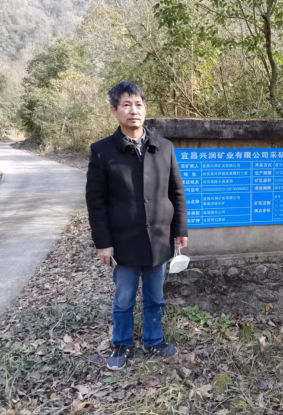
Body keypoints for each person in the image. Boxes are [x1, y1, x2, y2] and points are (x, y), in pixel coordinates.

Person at [86, 81, 188, 370]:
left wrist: (180, 230)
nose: (133, 110)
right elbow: (96, 202)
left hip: (159, 239)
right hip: (124, 240)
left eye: (138, 104)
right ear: (114, 110)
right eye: (126, 105)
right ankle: (122, 343)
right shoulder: (103, 151)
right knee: (124, 299)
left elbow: (176, 192)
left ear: (145, 109)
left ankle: (154, 340)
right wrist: (103, 243)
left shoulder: (164, 147)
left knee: (156, 297)